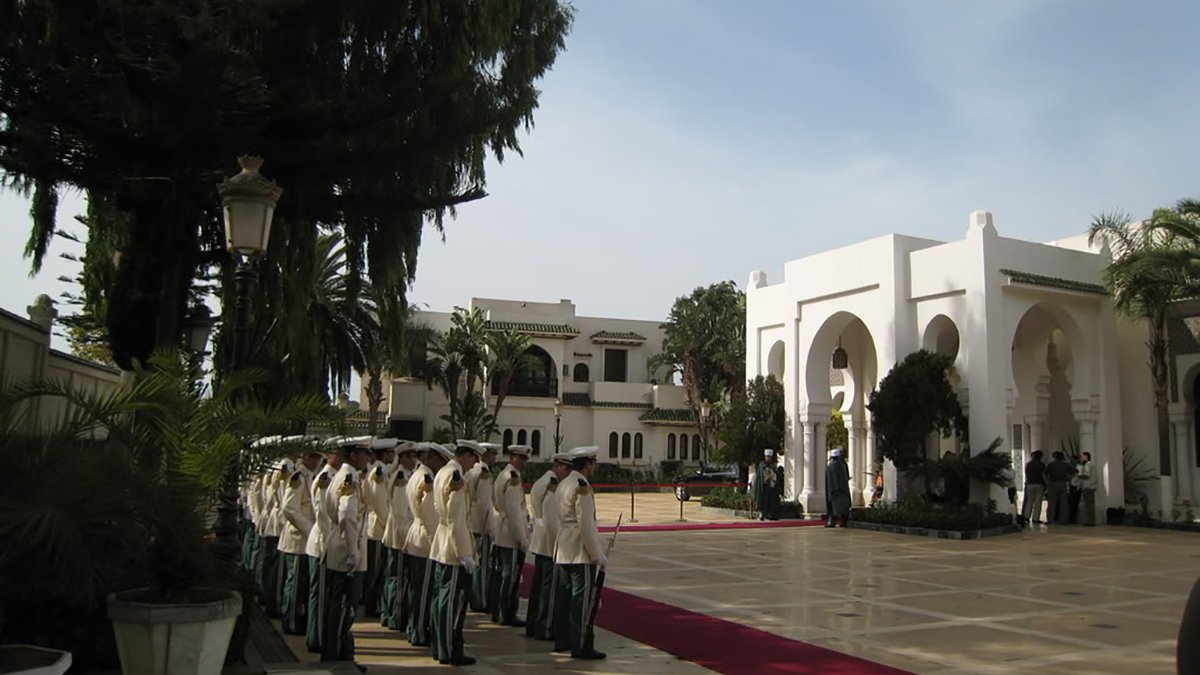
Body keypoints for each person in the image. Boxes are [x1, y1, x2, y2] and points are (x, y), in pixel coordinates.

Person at [321, 436, 374, 670]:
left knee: (341, 608)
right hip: (345, 550)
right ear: (354, 455)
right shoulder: (349, 477)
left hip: (341, 546)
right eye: (364, 453)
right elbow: (347, 515)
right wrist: (353, 551)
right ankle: (337, 659)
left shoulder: (346, 476)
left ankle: (342, 655)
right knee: (343, 608)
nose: (368, 458)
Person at [430, 440, 483, 666]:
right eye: (474, 459)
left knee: (441, 599)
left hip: (442, 541)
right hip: (452, 547)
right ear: (467, 456)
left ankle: (440, 646)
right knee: (452, 601)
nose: (474, 465)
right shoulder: (456, 477)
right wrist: (464, 553)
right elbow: (457, 519)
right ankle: (450, 649)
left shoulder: (444, 472)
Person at [553, 445, 607, 661]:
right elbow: (585, 525)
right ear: (587, 464)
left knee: (564, 599)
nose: (594, 467)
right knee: (581, 602)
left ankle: (563, 639)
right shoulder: (582, 486)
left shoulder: (565, 483)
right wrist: (596, 554)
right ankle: (581, 644)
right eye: (593, 463)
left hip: (563, 548)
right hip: (578, 551)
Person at [403, 442, 446, 647]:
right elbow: (430, 517)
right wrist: (435, 543)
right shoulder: (427, 479)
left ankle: (414, 627)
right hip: (424, 540)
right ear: (434, 459)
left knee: (417, 588)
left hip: (416, 535)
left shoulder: (417, 475)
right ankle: (419, 630)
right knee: (423, 590)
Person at [526, 451, 572, 640]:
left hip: (541, 541)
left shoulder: (543, 481)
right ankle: (544, 625)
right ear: (559, 466)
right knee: (548, 588)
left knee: (538, 587)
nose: (568, 474)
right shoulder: (552, 485)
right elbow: (552, 519)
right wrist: (558, 545)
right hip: (548, 543)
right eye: (566, 469)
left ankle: (533, 623)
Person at [280, 442, 322, 635]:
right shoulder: (298, 477)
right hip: (297, 538)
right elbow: (289, 508)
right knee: (295, 582)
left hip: (308, 540)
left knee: (303, 583)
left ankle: (299, 618)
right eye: (312, 456)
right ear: (304, 457)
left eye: (318, 457)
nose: (315, 461)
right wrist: (309, 529)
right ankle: (290, 620)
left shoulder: (312, 477)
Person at [303, 440, 339, 653]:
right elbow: (323, 514)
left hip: (328, 542)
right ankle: (315, 636)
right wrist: (331, 542)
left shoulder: (336, 477)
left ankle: (318, 634)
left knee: (322, 593)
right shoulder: (326, 478)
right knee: (319, 593)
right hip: (323, 543)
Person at [493, 444, 532, 627]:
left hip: (502, 530)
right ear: (513, 458)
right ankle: (506, 613)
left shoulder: (503, 475)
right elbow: (514, 511)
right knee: (511, 576)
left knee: (503, 574)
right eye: (522, 458)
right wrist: (522, 538)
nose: (524, 462)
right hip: (511, 534)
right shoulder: (513, 478)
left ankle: (499, 610)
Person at [380, 440, 418, 630]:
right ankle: (395, 615)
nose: (412, 460)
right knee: (397, 578)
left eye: (414, 456)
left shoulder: (408, 475)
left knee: (397, 577)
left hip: (401, 534)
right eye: (408, 457)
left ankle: (391, 614)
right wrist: (407, 538)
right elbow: (401, 512)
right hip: (399, 536)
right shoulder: (401, 478)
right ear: (400, 458)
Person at [362, 438, 397, 618]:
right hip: (377, 526)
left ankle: (376, 603)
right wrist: (387, 523)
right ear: (384, 454)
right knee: (375, 571)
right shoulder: (378, 471)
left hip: (382, 526)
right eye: (390, 452)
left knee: (380, 570)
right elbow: (378, 502)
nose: (393, 455)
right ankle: (371, 604)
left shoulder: (384, 470)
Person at [465, 442, 498, 613]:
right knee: (482, 565)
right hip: (481, 525)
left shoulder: (471, 471)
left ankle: (473, 596)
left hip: (470, 522)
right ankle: (480, 600)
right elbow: (485, 504)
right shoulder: (483, 474)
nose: (495, 457)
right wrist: (489, 529)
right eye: (493, 454)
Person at [1045, 450, 1076, 525]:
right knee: (1064, 503)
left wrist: (1046, 482)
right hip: (1062, 483)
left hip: (1053, 483)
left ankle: (1050, 520)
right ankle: (1063, 520)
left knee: (1052, 502)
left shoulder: (1051, 464)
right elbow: (1075, 472)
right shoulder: (1066, 464)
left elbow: (1044, 473)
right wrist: (1068, 478)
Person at [825, 448, 851, 527]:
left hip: (831, 491)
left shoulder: (829, 467)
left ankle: (832, 522)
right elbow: (844, 479)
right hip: (841, 491)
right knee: (843, 508)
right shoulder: (841, 466)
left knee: (833, 508)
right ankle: (843, 522)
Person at [1020, 450, 1047, 527]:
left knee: (1029, 501)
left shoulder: (1028, 464)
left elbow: (1026, 473)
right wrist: (1046, 484)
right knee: (1038, 502)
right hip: (1039, 484)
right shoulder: (1041, 465)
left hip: (1029, 484)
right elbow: (1043, 475)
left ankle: (1026, 517)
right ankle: (1036, 518)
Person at [754, 449, 779, 520]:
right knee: (763, 501)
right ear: (765, 457)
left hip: (771, 487)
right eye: (767, 456)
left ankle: (771, 514)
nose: (768, 458)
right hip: (764, 487)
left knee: (771, 501)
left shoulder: (773, 465)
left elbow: (775, 474)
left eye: (769, 457)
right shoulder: (762, 465)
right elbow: (760, 476)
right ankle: (762, 514)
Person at [1076, 451, 1097, 526]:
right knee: (1088, 504)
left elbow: (1087, 475)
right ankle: (1089, 520)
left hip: (1088, 486)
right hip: (1088, 486)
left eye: (1082, 457)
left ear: (1086, 457)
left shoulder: (1088, 465)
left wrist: (1077, 475)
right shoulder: (1089, 465)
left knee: (1088, 505)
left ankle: (1090, 521)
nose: (1081, 458)